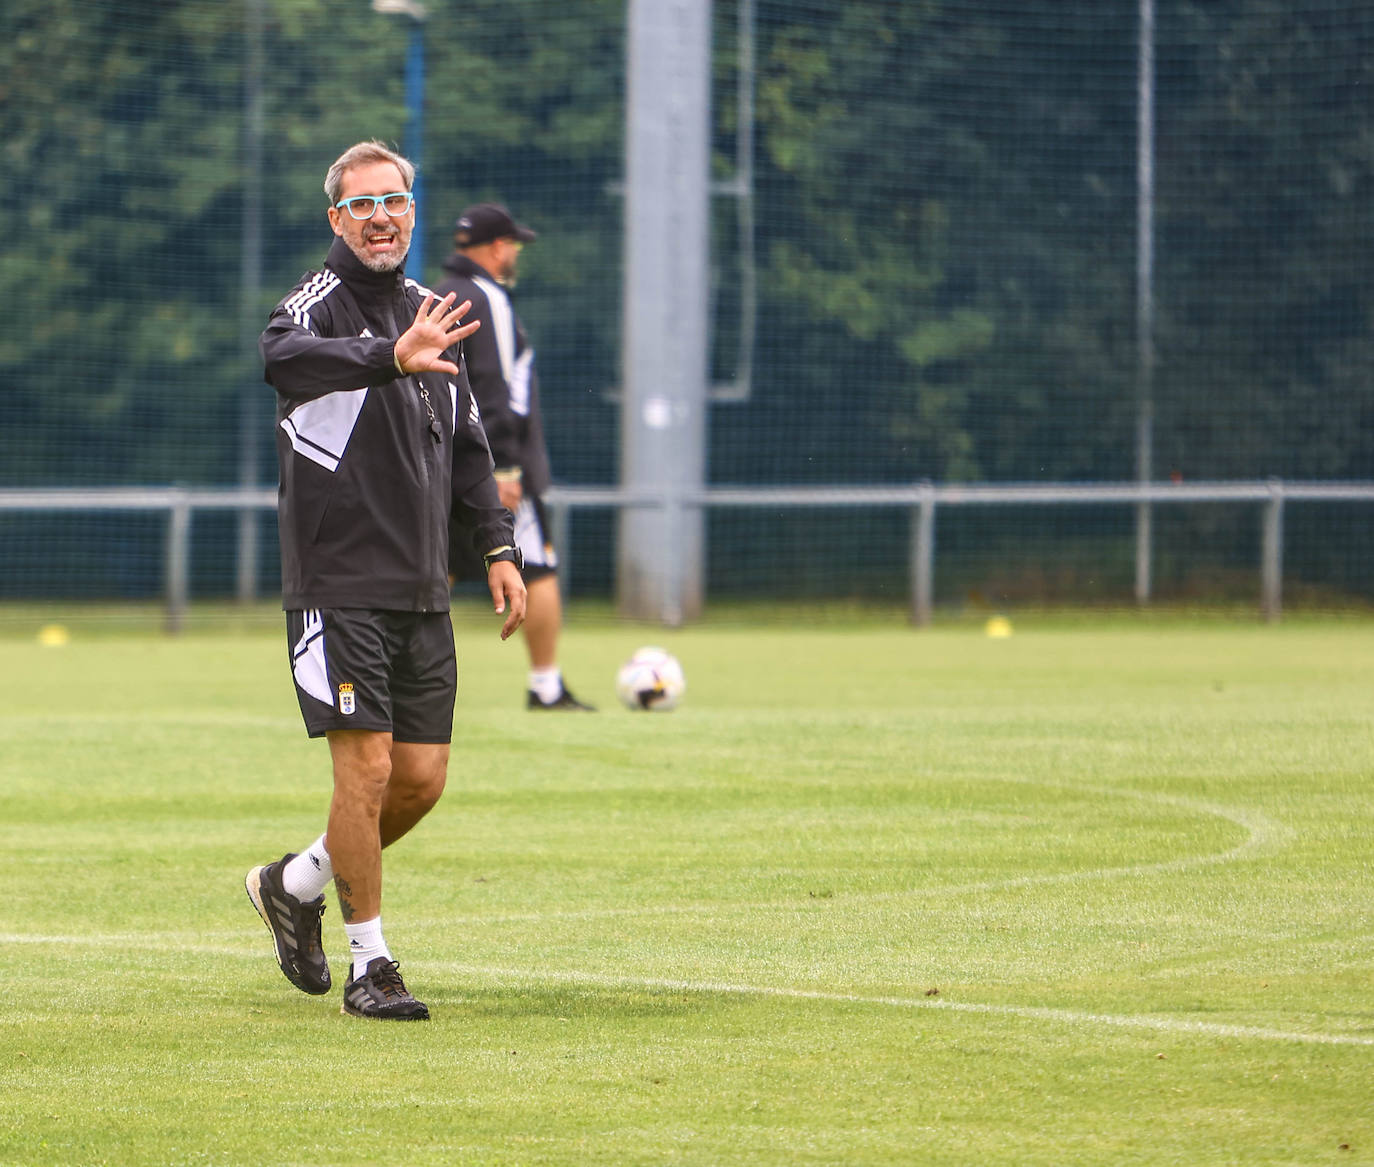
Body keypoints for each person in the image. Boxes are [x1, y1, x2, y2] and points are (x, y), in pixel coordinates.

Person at [246, 141, 527, 1022]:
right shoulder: (317, 305)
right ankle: (373, 964)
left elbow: (471, 444)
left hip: (422, 585)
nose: (381, 216)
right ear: (337, 218)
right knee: (364, 770)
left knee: (420, 779)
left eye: (395, 200)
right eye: (362, 204)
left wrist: (498, 545)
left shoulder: (431, 310)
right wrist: (387, 357)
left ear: (412, 211)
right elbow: (280, 358)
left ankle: (294, 883)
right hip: (336, 581)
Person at [435, 203, 594, 711]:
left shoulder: (438, 295)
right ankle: (546, 687)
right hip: (491, 469)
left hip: (441, 464)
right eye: (514, 247)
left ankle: (390, 679)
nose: (515, 256)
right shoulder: (489, 299)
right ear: (498, 247)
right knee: (538, 566)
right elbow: (498, 390)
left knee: (432, 571)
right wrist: (503, 467)